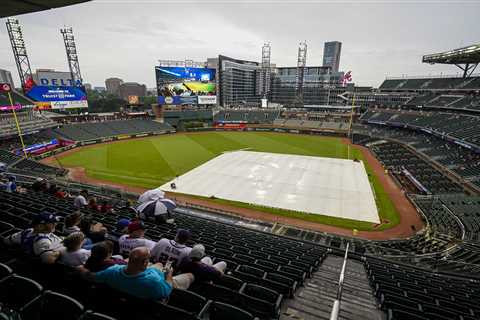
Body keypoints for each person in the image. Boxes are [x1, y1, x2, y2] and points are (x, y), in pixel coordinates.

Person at [85, 247, 194, 300]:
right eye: (147, 259)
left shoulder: (113, 270)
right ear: (145, 262)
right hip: (165, 281)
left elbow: (92, 277)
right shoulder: (153, 283)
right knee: (190, 275)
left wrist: (81, 269)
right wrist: (169, 275)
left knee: (159, 264)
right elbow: (167, 290)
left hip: (143, 277)